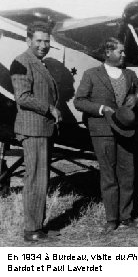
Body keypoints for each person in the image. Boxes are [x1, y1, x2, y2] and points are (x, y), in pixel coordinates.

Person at [74, 37, 138, 233]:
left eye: (123, 52)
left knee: (127, 174)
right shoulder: (91, 74)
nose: (124, 55)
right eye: (120, 51)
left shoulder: (130, 75)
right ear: (108, 52)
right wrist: (101, 108)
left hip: (126, 130)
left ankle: (126, 217)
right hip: (102, 130)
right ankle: (111, 219)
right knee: (108, 175)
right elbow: (79, 101)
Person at [10, 21, 62, 242]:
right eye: (39, 41)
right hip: (33, 129)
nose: (43, 45)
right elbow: (22, 97)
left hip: (42, 129)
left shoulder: (39, 62)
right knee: (35, 180)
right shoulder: (21, 62)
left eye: (47, 41)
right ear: (28, 40)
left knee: (41, 179)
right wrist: (49, 108)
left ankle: (37, 227)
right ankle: (31, 230)